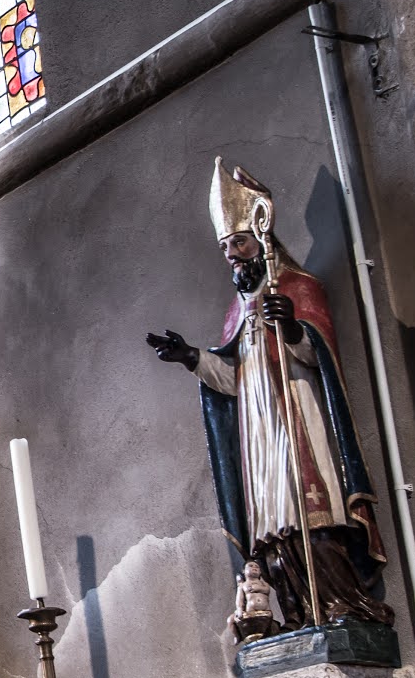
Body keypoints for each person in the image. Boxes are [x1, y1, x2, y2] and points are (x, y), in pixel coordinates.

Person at [147, 159, 393, 631]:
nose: (232, 256)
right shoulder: (235, 312)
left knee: (315, 517)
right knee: (272, 533)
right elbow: (234, 381)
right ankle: (297, 614)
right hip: (257, 435)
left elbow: (321, 357)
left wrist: (295, 329)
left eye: (239, 243)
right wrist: (191, 358)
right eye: (225, 247)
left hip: (297, 417)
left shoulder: (298, 287)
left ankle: (342, 605)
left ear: (262, 240)